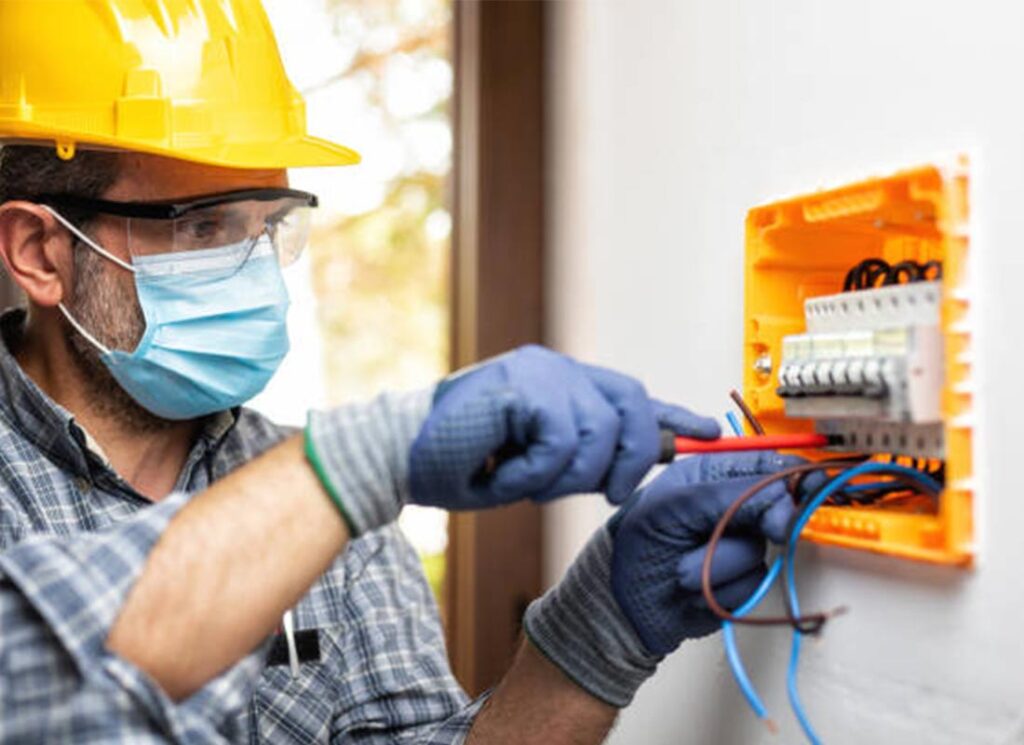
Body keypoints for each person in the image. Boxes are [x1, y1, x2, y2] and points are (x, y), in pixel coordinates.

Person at [0, 1, 801, 742]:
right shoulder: (333, 487)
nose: (257, 274)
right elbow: (37, 676)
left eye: (267, 225)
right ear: (41, 251)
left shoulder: (336, 526)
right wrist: (364, 460)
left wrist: (595, 636)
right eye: (205, 224)